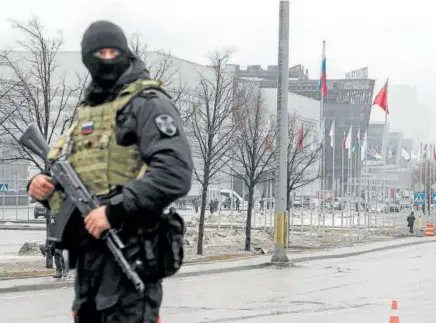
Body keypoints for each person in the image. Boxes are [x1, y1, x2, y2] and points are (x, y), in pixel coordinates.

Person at [27, 20, 193, 323]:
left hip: (131, 254)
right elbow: (79, 186)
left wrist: (114, 210)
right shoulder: (88, 113)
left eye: (112, 52)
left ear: (126, 53)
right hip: (89, 263)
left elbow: (175, 171)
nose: (105, 59)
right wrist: (45, 188)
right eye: (98, 53)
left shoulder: (148, 103)